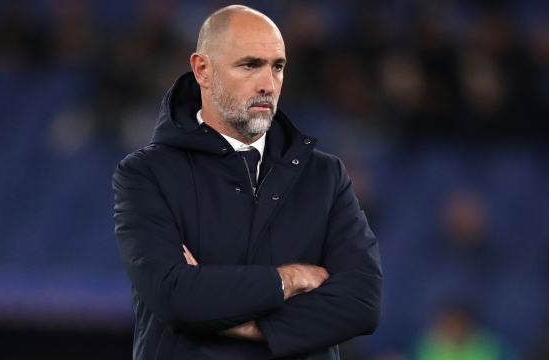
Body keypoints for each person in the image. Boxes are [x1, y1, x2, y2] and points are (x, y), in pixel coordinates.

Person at [112, 5, 382, 360]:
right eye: (250, 65)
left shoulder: (324, 176)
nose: (268, 84)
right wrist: (288, 280)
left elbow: (362, 302)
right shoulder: (147, 174)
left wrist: (248, 326)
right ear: (202, 70)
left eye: (278, 66)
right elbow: (173, 295)